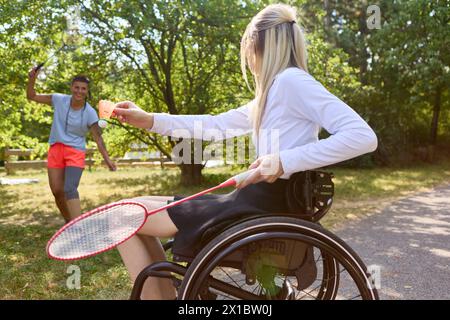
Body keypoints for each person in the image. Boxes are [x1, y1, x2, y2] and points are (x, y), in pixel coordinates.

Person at [112, 3, 378, 299]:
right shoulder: (275, 89)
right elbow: (215, 125)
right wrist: (149, 119)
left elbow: (362, 136)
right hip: (256, 202)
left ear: (254, 43)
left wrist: (282, 161)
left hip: (261, 206)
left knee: (124, 217)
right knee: (130, 209)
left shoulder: (292, 82)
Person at [27, 68, 116, 223]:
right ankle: (69, 223)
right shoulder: (59, 99)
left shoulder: (89, 112)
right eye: (76, 87)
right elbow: (32, 96)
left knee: (69, 188)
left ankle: (78, 228)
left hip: (75, 151)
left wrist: (108, 161)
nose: (79, 91)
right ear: (71, 87)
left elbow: (98, 138)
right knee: (57, 191)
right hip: (56, 148)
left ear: (87, 91)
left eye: (83, 89)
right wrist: (32, 79)